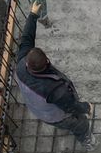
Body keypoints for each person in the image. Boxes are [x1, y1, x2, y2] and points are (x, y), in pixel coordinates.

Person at [13, 10, 96, 145]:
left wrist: (32, 15)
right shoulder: (54, 89)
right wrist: (87, 108)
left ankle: (64, 127)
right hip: (56, 115)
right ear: (46, 61)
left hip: (37, 108)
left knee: (62, 121)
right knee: (80, 124)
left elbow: (26, 38)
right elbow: (71, 106)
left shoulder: (21, 64)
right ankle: (90, 146)